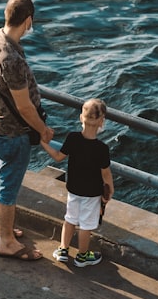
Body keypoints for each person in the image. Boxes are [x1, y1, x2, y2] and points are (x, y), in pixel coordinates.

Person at [0, 0, 53, 260]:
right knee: (7, 189)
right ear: (29, 20)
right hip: (11, 132)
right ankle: (7, 242)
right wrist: (43, 130)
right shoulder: (12, 59)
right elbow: (24, 107)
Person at [42, 98, 114, 267]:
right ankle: (82, 256)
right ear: (101, 122)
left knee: (70, 219)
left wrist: (43, 143)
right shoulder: (102, 148)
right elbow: (106, 173)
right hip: (92, 193)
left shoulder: (73, 138)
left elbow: (58, 157)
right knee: (86, 225)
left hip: (73, 189)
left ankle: (62, 250)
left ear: (81, 117)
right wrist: (110, 191)